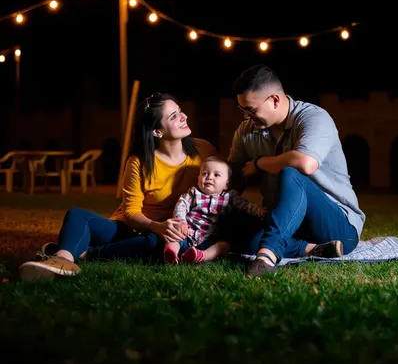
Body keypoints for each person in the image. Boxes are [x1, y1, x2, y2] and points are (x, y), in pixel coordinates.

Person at [19, 93, 216, 281]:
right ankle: (61, 259)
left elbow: (225, 182)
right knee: (77, 215)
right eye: (174, 116)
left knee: (157, 244)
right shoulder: (139, 162)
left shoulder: (204, 150)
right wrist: (157, 226)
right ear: (157, 131)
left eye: (180, 111)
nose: (184, 117)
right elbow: (130, 211)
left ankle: (88, 253)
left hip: (166, 235)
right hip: (131, 228)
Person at [227, 65, 366, 277]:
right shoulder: (246, 131)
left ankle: (267, 256)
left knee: (292, 173)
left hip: (338, 227)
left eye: (251, 110)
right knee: (232, 234)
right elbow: (232, 179)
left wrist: (259, 163)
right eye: (242, 109)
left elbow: (305, 164)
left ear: (274, 100)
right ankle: (312, 249)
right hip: (286, 223)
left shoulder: (313, 117)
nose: (246, 117)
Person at [164, 155, 267, 264]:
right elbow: (181, 205)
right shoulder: (194, 192)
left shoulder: (230, 197)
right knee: (172, 237)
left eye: (216, 175)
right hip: (186, 232)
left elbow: (245, 205)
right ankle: (171, 252)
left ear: (226, 184)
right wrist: (181, 222)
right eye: (204, 173)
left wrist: (258, 211)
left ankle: (201, 256)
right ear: (198, 178)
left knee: (223, 246)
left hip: (210, 238)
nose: (209, 177)